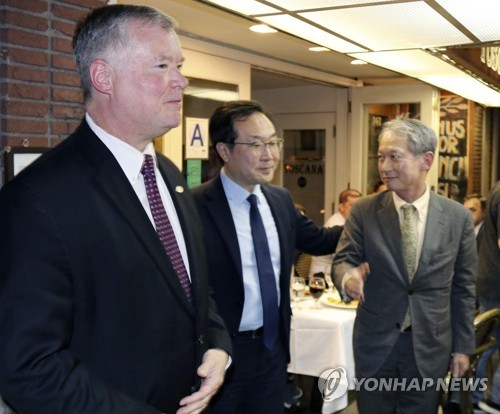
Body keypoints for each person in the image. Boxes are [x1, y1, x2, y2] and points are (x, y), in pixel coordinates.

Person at [0, 5, 231, 414]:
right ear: (103, 77)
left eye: (179, 64)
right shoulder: (39, 199)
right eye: (162, 65)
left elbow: (193, 288)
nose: (181, 79)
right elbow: (28, 367)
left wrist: (217, 345)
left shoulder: (167, 173)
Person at [191, 100, 343, 413]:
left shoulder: (280, 200)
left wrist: (372, 213)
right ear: (224, 151)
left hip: (272, 353)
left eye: (273, 142)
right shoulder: (195, 207)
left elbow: (321, 240)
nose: (270, 154)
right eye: (256, 144)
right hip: (219, 356)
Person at [333, 117, 477, 414]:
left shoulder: (456, 217)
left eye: (395, 157)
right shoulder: (364, 211)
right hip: (376, 346)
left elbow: (463, 288)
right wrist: (347, 278)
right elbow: (344, 259)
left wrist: (463, 348)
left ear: (426, 160)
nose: (385, 166)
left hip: (429, 348)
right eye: (381, 157)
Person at [475, 181, 500, 414]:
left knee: (488, 345)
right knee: (487, 345)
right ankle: (487, 401)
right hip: (495, 284)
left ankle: (479, 400)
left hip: (490, 280)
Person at [308, 188, 362, 277]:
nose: (356, 209)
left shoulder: (347, 222)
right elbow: (345, 257)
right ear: (341, 207)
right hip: (322, 278)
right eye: (351, 205)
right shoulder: (337, 224)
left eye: (359, 206)